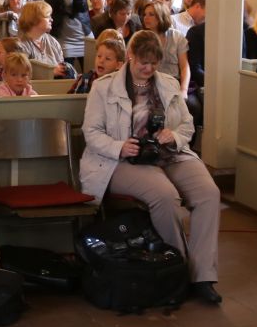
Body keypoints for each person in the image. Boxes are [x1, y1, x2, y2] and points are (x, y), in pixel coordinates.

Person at [82, 30, 223, 304]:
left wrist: (175, 136)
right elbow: (92, 132)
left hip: (169, 153)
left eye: (154, 63)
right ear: (130, 57)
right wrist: (119, 146)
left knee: (209, 194)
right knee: (165, 196)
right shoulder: (104, 87)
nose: (148, 69)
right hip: (122, 159)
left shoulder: (169, 84)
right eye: (142, 63)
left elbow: (187, 125)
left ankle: (203, 275)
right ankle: (178, 270)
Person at [42, 0, 91, 72]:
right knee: (67, 71)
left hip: (82, 33)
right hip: (63, 36)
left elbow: (82, 8)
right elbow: (52, 6)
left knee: (89, 70)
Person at [139, 1, 190, 95]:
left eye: (151, 14)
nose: (146, 18)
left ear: (161, 16)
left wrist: (184, 90)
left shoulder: (176, 36)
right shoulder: (141, 38)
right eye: (145, 14)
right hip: (148, 83)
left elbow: (184, 67)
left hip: (172, 83)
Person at [15, 0, 72, 79]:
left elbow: (61, 66)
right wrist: (49, 73)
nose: (51, 19)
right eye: (48, 16)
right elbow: (20, 73)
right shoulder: (20, 44)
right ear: (34, 19)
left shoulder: (53, 41)